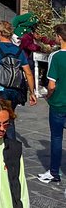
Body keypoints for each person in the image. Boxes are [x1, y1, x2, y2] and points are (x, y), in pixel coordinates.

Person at [0, 19, 36, 139]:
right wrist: (32, 92)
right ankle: (11, 146)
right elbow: (28, 73)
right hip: (15, 91)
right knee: (9, 117)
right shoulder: (18, 51)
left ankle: (0, 144)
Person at [38, 22, 66, 184]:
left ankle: (54, 172)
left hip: (58, 104)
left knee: (56, 137)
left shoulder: (55, 56)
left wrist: (48, 95)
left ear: (60, 37)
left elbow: (51, 84)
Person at [13, 12, 54, 99]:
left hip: (34, 57)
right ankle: (33, 87)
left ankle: (44, 82)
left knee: (47, 65)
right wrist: (41, 48)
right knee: (31, 66)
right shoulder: (26, 37)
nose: (40, 36)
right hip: (25, 58)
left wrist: (53, 44)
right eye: (38, 34)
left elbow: (47, 40)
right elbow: (30, 46)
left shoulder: (38, 36)